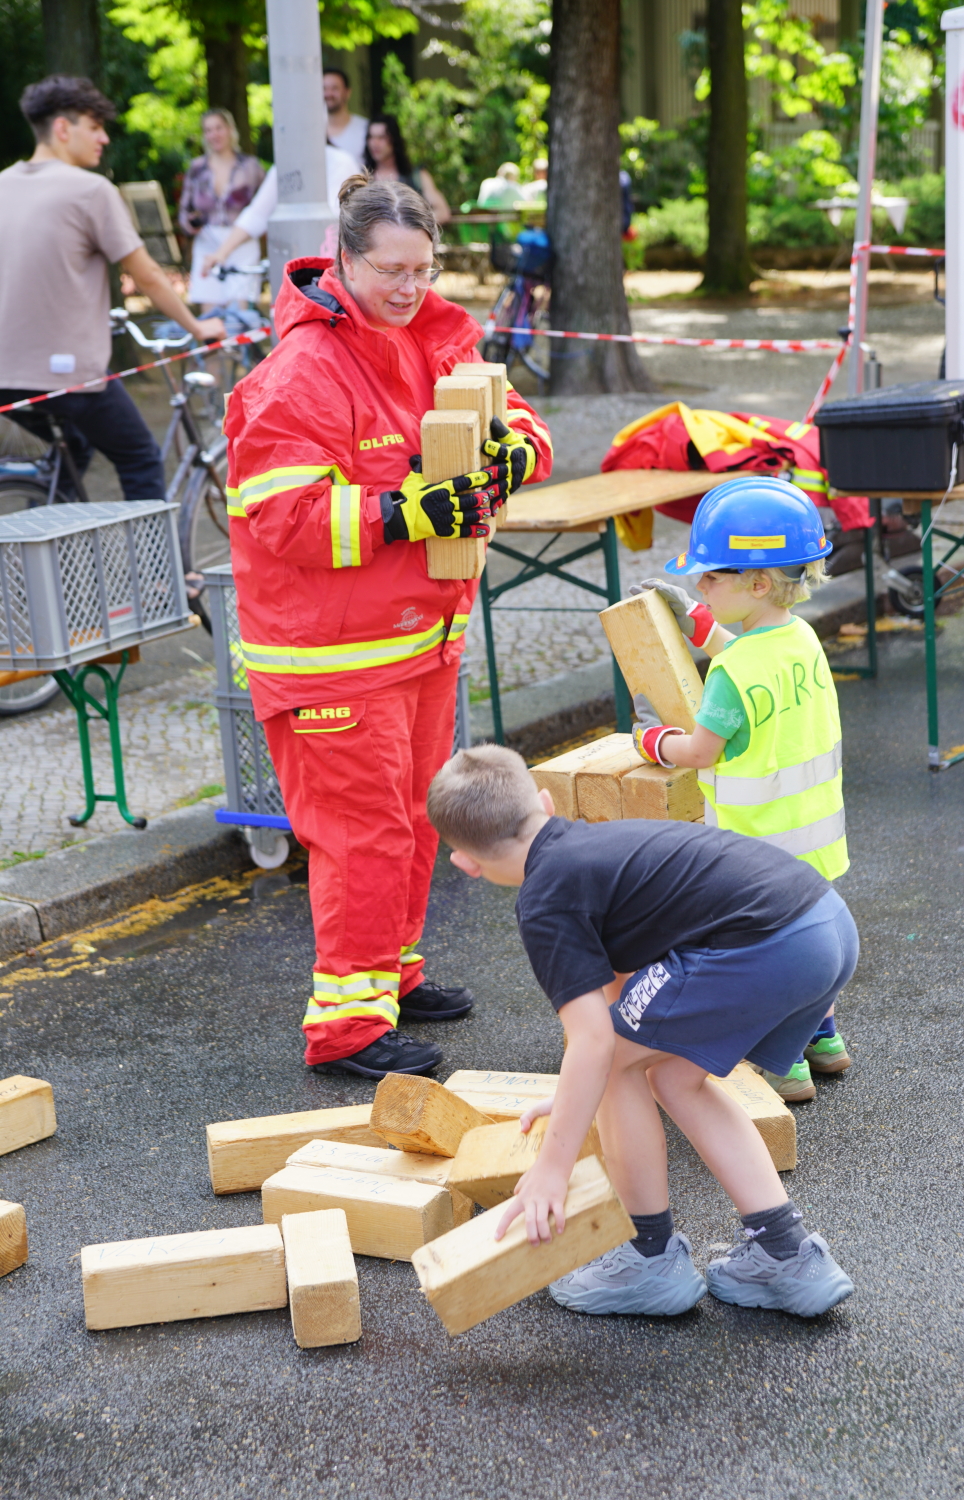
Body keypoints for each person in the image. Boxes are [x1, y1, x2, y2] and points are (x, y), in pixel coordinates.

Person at [224, 174, 552, 1079]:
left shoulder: (437, 332)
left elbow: (514, 412)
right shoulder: (297, 376)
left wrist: (514, 452)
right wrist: (407, 514)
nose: (409, 289)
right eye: (389, 271)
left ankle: (390, 974)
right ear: (343, 259)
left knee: (410, 820)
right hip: (332, 659)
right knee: (360, 835)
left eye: (423, 268)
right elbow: (285, 520)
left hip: (416, 638)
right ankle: (346, 1026)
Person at [426, 745, 858, 1319]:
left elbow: (596, 1044)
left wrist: (551, 1171)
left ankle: (647, 1260)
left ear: (465, 862)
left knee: (614, 1066)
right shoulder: (593, 846)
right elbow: (627, 1001)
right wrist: (577, 1090)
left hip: (769, 942)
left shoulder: (547, 897)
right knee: (675, 1078)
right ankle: (787, 1253)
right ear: (547, 804)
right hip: (824, 923)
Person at [630, 477, 852, 1103]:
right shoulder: (800, 636)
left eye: (710, 578)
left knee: (767, 962)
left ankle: (786, 1070)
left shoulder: (729, 674)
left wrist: (654, 743)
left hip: (756, 855)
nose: (700, 585)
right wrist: (701, 623)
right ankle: (825, 1041)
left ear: (758, 582)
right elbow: (753, 655)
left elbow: (700, 749)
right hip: (815, 840)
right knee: (814, 944)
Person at [0, 76, 224, 504]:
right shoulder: (90, 190)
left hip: (5, 375)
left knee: (72, 453)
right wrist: (198, 326)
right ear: (63, 129)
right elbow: (149, 277)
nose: (104, 137)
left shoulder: (3, 185)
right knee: (139, 456)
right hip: (66, 375)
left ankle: (52, 562)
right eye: (95, 125)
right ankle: (158, 572)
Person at [202, 140, 357, 278]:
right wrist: (221, 253)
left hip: (336, 269)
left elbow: (339, 217)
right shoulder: (285, 166)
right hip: (296, 270)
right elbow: (257, 213)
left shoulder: (341, 162)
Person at [178, 108, 265, 310]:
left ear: (230, 130)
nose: (214, 134)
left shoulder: (250, 166)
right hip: (207, 242)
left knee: (239, 315)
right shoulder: (197, 168)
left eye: (218, 128)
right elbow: (184, 211)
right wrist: (191, 224)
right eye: (208, 130)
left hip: (241, 244)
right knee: (209, 316)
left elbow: (263, 207)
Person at [364, 116, 451, 225]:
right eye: (371, 137)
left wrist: (413, 225)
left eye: (381, 137)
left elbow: (443, 212)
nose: (374, 143)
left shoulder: (417, 175)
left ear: (394, 140)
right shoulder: (362, 178)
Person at [324, 67, 368, 168]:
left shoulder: (365, 129)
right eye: (324, 88)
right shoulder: (310, 133)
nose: (328, 94)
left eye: (335, 88)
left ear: (347, 93)